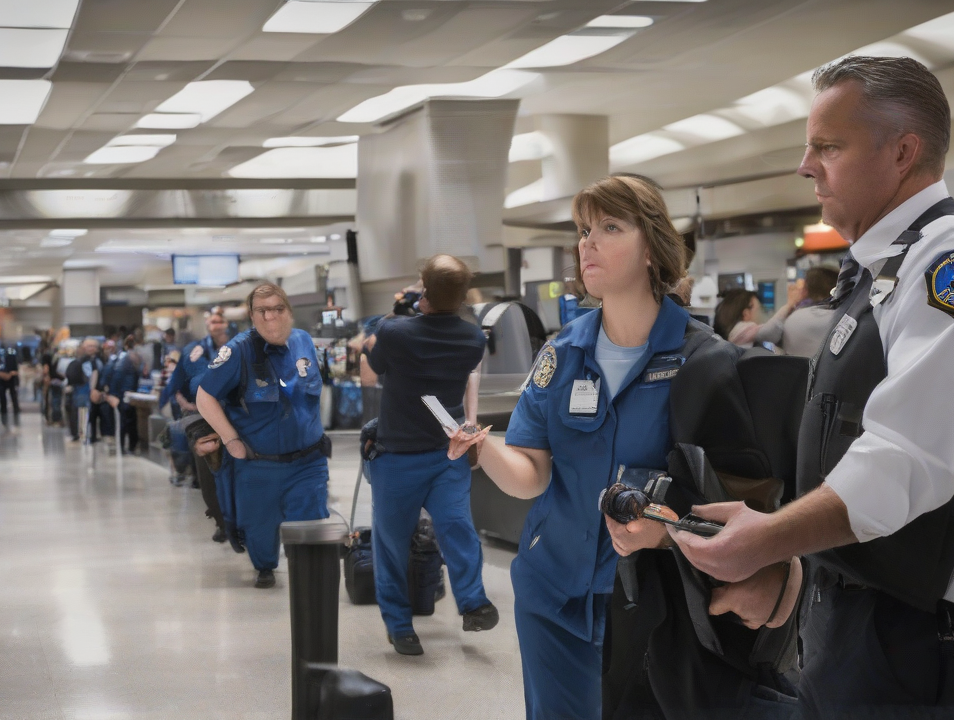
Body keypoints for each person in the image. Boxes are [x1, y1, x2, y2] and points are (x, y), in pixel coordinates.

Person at [668, 56, 954, 720]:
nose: (806, 165)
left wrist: (767, 540)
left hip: (931, 634)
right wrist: (788, 560)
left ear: (903, 151)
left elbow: (906, 461)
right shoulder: (881, 271)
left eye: (828, 146)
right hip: (870, 613)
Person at [449, 175, 792, 718]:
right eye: (584, 230)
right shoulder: (562, 355)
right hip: (551, 589)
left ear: (653, 247)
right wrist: (481, 448)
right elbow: (532, 474)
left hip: (651, 602)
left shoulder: (706, 363)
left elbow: (734, 492)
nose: (588, 243)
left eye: (610, 227)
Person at [361, 254, 498, 657]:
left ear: (424, 289)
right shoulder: (474, 339)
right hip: (446, 454)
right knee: (458, 528)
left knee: (391, 543)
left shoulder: (394, 332)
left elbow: (374, 360)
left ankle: (400, 627)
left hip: (397, 456)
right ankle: (473, 602)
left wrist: (398, 312)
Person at [196, 284, 330, 589]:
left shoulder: (304, 342)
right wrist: (231, 440)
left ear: (289, 312)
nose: (271, 317)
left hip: (308, 462)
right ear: (252, 316)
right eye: (262, 310)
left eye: (278, 309)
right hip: (259, 465)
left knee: (310, 531)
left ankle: (308, 580)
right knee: (259, 535)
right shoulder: (237, 351)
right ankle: (265, 567)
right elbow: (205, 396)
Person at [162, 309, 232, 540]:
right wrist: (185, 405)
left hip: (236, 419)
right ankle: (222, 523)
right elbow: (177, 383)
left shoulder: (239, 346)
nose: (217, 325)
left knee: (238, 473)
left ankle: (239, 522)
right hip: (204, 422)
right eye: (213, 321)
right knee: (209, 474)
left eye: (220, 321)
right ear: (207, 324)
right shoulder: (194, 350)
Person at [752, 266, 840, 357]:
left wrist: (789, 304)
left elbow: (764, 335)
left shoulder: (792, 318)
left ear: (805, 290)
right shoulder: (841, 317)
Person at [105, 337, 142, 454]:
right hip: (124, 396)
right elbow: (117, 378)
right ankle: (124, 447)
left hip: (126, 395)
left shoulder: (124, 361)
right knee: (125, 422)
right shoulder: (125, 362)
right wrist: (114, 394)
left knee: (127, 422)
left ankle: (128, 446)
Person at [0, 344, 20, 423]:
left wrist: (11, 374)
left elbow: (15, 370)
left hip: (10, 380)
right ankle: (5, 417)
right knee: (4, 400)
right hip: (2, 381)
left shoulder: (10, 357)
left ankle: (15, 415)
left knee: (13, 397)